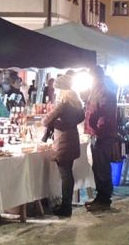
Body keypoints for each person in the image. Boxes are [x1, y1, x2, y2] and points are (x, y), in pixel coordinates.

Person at [43, 86, 85, 217]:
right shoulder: (78, 107)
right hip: (72, 140)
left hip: (62, 142)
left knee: (65, 175)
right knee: (68, 174)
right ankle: (66, 204)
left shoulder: (63, 105)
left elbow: (45, 121)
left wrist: (56, 123)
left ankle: (66, 207)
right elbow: (79, 118)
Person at [84, 69, 118, 212]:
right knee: (97, 167)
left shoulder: (105, 91)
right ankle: (100, 197)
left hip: (102, 135)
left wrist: (97, 130)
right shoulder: (97, 90)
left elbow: (104, 114)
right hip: (96, 134)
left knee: (102, 167)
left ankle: (104, 199)